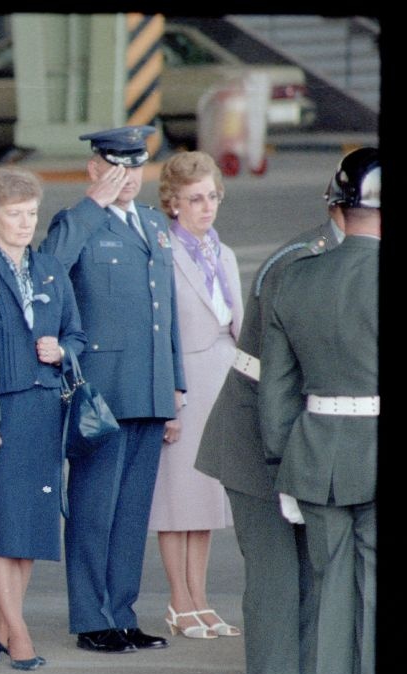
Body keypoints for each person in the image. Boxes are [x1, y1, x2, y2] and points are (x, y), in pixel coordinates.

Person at [194, 169, 349, 674]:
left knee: (317, 583)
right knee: (279, 587)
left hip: (312, 448)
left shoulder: (351, 260)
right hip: (261, 447)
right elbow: (276, 389)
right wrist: (289, 471)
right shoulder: (299, 264)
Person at [259, 147, 378, 674]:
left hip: (318, 457)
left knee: (332, 599)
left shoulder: (295, 278)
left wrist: (285, 463)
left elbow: (275, 398)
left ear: (341, 207)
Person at [40, 126, 185, 655]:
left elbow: (164, 312)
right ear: (95, 168)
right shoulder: (76, 222)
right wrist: (87, 208)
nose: (129, 178)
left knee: (131, 514)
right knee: (94, 508)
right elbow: (48, 270)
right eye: (118, 167)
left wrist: (176, 386)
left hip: (148, 388)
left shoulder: (151, 223)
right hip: (101, 390)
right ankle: (90, 617)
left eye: (137, 167)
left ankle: (122, 613)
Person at [0, 167, 86, 671]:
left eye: (31, 214)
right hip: (3, 406)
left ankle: (3, 622)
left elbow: (79, 335)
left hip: (45, 406)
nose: (25, 223)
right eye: (14, 214)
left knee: (32, 525)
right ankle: (18, 633)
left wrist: (61, 349)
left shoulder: (50, 269)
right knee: (2, 522)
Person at [149, 151, 242, 642]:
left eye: (212, 197)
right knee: (177, 497)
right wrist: (167, 395)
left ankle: (201, 599)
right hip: (184, 380)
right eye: (195, 199)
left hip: (222, 376)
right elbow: (158, 329)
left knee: (206, 496)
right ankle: (178, 602)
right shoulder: (162, 252)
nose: (206, 207)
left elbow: (237, 321)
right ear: (172, 202)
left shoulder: (222, 253)